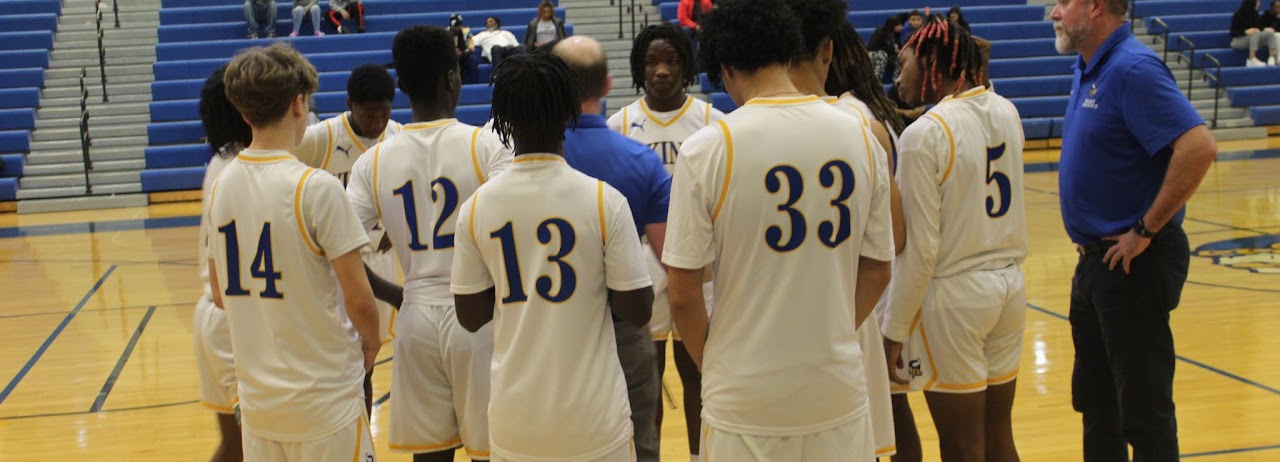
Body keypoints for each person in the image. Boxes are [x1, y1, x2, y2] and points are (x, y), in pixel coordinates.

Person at [663, 0, 894, 460]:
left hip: (747, 398)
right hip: (836, 387)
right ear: (789, 53)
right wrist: (833, 332)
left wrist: (717, 363)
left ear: (725, 67)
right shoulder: (861, 136)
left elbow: (684, 291)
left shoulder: (709, 148)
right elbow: (879, 268)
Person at [451, 51, 654, 462]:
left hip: (515, 420)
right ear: (569, 111)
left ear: (503, 121)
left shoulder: (476, 207)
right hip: (594, 420)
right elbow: (639, 309)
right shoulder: (604, 200)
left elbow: (470, 316)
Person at [1052, 0, 1219, 459]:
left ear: (1096, 6)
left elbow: (1199, 147)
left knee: (1143, 415)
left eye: (1063, 3)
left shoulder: (1133, 69)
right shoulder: (1090, 67)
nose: (1054, 12)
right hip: (1095, 265)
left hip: (1131, 266)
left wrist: (1145, 229)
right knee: (1096, 406)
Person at [346, 25, 513, 462]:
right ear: (452, 77)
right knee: (490, 450)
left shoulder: (372, 162)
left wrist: (394, 295)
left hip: (416, 315)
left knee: (430, 453)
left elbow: (337, 253)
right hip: (478, 317)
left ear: (400, 85)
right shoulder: (488, 147)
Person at [208, 42, 380, 462]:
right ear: (299, 103)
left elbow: (218, 294)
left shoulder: (222, 184)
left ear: (245, 112)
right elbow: (359, 299)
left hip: (261, 406)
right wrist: (371, 344)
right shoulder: (316, 187)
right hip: (323, 402)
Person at [882, 14, 1028, 462]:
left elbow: (920, 251)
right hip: (1010, 287)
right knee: (999, 438)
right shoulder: (1007, 110)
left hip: (956, 296)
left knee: (961, 446)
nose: (896, 75)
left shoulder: (924, 134)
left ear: (929, 64)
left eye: (902, 62)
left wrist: (892, 331)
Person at [785, 1, 903, 460]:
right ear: (828, 51)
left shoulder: (736, 132)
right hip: (846, 319)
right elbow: (896, 239)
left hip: (769, 331)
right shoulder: (866, 126)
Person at [548, 35, 670, 462]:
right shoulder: (642, 161)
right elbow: (669, 255)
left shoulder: (522, 161)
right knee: (639, 444)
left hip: (548, 328)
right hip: (623, 324)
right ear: (607, 86)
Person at [606, 23, 720, 462]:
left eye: (671, 59)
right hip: (640, 261)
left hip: (700, 261)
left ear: (687, 65)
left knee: (698, 372)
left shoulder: (713, 121)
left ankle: (698, 456)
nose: (661, 70)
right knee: (645, 376)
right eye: (652, 61)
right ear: (639, 67)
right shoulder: (619, 125)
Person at [825, 18, 922, 462]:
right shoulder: (870, 109)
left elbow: (895, 231)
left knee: (883, 422)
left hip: (865, 287)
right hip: (879, 281)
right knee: (894, 414)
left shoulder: (846, 118)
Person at [291, 63, 402, 415]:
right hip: (333, 267)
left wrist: (398, 230)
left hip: (381, 262)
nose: (378, 121)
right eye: (369, 113)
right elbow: (285, 178)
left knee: (368, 358)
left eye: (385, 111)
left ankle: (357, 437)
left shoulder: (398, 137)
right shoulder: (320, 138)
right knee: (348, 363)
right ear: (350, 104)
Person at [195, 64, 253, 462]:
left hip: (214, 318)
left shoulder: (220, 162)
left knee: (237, 448)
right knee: (253, 445)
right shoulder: (240, 171)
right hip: (234, 318)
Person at [1231, 0, 1277, 67]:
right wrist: (1246, 31)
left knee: (1270, 33)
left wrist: (1265, 29)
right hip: (1239, 40)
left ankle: (1271, 58)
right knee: (1255, 32)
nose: (1259, 4)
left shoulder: (1255, 14)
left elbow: (1259, 26)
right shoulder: (1238, 15)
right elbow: (1233, 32)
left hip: (1253, 38)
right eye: (1258, 2)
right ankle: (1252, 59)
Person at [868, 16, 904, 83]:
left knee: (899, 58)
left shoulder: (895, 35)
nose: (901, 27)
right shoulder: (880, 32)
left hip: (888, 56)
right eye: (899, 25)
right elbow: (872, 46)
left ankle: (896, 80)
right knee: (882, 55)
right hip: (875, 54)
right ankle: (876, 80)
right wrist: (892, 48)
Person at [450, 15, 481, 84]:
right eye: (454, 26)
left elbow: (471, 48)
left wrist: (462, 52)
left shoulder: (467, 31)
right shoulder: (446, 32)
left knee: (473, 60)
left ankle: (474, 85)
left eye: (458, 25)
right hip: (450, 55)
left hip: (464, 55)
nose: (457, 28)